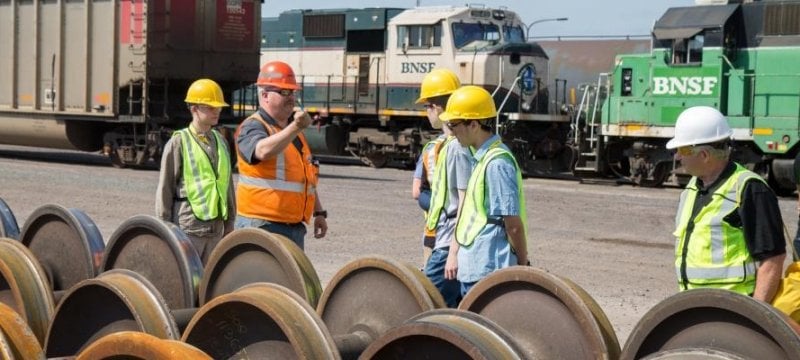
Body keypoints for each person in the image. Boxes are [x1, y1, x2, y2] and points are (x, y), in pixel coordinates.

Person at [667, 106, 785, 302]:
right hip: (694, 304)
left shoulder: (750, 189)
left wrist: (754, 315)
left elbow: (773, 259)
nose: (677, 156)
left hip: (733, 311)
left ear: (704, 155)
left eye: (681, 149)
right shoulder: (692, 188)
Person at [440, 85, 529, 297]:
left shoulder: (497, 163)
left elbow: (513, 225)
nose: (451, 132)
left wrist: (523, 264)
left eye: (454, 125)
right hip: (477, 265)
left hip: (488, 267)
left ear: (473, 124)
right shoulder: (482, 158)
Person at [234, 60, 327, 249]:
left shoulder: (294, 134)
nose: (291, 97)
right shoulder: (253, 126)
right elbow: (261, 151)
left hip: (293, 228)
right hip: (261, 226)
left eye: (293, 92)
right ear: (265, 95)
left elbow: (305, 177)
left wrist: (319, 212)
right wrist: (295, 126)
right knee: (261, 278)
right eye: (284, 92)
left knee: (289, 279)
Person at [156, 79, 235, 263]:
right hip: (189, 227)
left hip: (216, 229)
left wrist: (230, 221)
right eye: (210, 107)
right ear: (194, 109)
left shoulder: (221, 141)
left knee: (210, 283)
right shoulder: (179, 142)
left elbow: (227, 184)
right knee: (187, 280)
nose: (217, 111)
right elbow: (165, 188)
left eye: (219, 107)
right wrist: (165, 228)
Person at [413, 69, 471, 308]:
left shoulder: (454, 148)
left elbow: (463, 202)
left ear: (437, 107)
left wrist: (453, 252)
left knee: (426, 304)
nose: (426, 112)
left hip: (447, 240)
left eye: (427, 106)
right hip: (448, 240)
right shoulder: (458, 145)